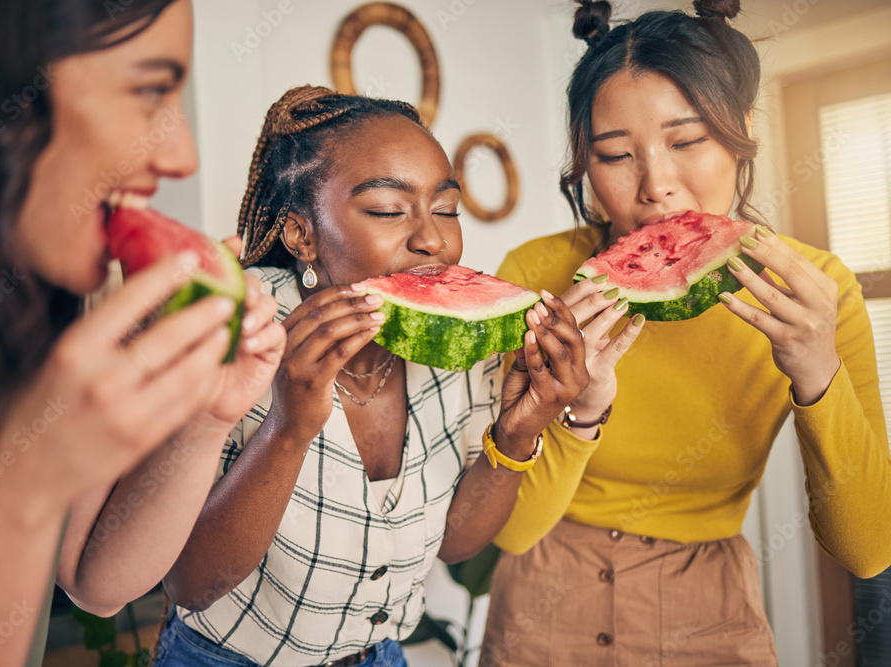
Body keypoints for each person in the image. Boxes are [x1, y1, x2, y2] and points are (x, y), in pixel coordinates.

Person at [150, 85, 640, 667]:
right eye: (387, 210)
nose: (432, 239)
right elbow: (190, 586)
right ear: (300, 234)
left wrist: (517, 432)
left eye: (446, 209)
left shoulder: (463, 344)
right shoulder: (230, 332)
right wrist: (287, 427)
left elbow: (456, 546)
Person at [479, 1, 891, 665]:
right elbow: (515, 530)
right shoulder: (537, 275)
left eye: (688, 140)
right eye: (615, 153)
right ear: (585, 160)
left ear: (742, 130)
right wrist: (578, 408)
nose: (657, 187)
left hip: (708, 612)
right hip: (542, 605)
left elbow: (869, 547)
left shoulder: (818, 292)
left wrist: (818, 372)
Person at [0, 1, 283, 664]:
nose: (182, 154)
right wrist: (22, 490)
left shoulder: (45, 297)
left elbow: (96, 582)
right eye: (151, 88)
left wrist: (209, 420)